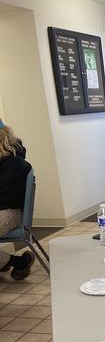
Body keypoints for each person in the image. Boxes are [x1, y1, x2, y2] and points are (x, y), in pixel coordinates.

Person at [0, 119, 35, 280]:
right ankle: (16, 261)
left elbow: (7, 196)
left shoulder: (15, 163)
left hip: (9, 211)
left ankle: (10, 262)